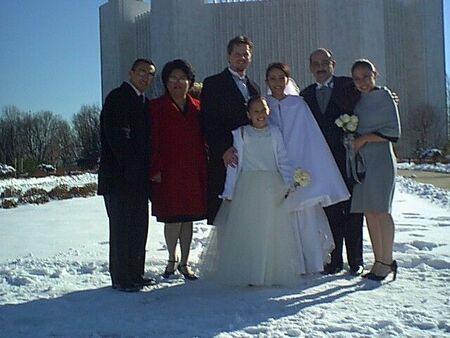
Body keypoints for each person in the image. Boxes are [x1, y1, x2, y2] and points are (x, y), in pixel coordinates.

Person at [200, 96, 303, 286]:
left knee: (269, 230)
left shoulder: (275, 133)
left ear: (268, 112)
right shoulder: (241, 134)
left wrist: (288, 182)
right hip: (248, 186)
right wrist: (229, 191)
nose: (260, 115)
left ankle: (268, 272)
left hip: (271, 186)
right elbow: (234, 165)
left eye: (263, 110)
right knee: (249, 230)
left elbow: (282, 158)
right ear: (248, 115)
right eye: (255, 111)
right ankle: (249, 272)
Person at [265, 62, 350, 273]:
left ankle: (310, 261)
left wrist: (310, 166)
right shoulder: (264, 104)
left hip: (299, 163)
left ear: (288, 80)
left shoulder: (298, 104)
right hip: (273, 164)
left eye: (281, 78)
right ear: (267, 81)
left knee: (305, 214)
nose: (277, 82)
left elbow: (311, 136)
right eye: (272, 78)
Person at [300, 48, 365, 276]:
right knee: (331, 213)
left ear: (333, 64)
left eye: (324, 62)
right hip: (322, 165)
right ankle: (335, 260)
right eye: (315, 63)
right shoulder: (304, 96)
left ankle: (356, 259)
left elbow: (369, 95)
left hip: (348, 160)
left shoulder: (349, 86)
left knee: (354, 211)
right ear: (310, 67)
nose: (320, 67)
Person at [98, 58, 156, 292]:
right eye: (142, 72)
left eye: (150, 74)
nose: (145, 77)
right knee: (122, 229)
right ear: (131, 72)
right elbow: (118, 139)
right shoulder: (118, 97)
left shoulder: (144, 102)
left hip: (140, 180)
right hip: (119, 179)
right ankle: (122, 278)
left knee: (138, 228)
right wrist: (132, 168)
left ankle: (136, 273)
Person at [149, 59, 207, 280]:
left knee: (188, 217)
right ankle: (171, 259)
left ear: (190, 82)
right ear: (165, 82)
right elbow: (152, 142)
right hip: (168, 172)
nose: (177, 82)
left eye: (182, 78)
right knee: (172, 218)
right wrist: (155, 169)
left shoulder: (198, 107)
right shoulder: (155, 108)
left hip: (192, 170)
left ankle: (184, 262)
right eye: (172, 78)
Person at [349, 59, 400, 281]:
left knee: (381, 209)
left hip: (381, 160)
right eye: (357, 79)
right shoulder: (358, 102)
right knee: (369, 210)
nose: (362, 82)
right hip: (364, 162)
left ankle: (388, 260)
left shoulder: (385, 96)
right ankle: (379, 260)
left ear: (375, 75)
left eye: (366, 77)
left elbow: (392, 132)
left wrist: (364, 139)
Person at [201, 35, 260, 224]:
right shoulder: (213, 84)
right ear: (228, 56)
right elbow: (208, 122)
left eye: (246, 54)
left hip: (250, 161)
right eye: (237, 54)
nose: (241, 58)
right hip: (226, 159)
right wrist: (223, 149)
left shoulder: (255, 88)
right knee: (225, 216)